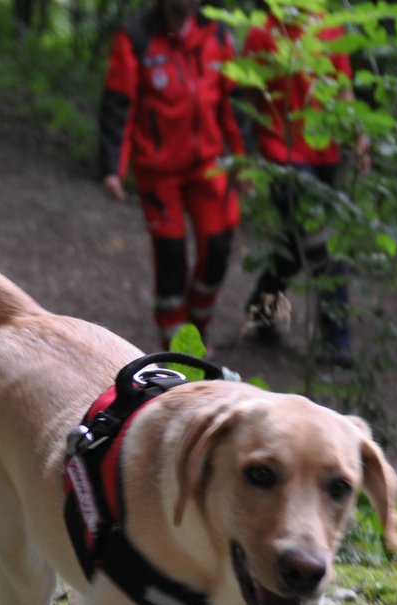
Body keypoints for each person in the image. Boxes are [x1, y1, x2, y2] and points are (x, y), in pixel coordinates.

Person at [99, 0, 247, 348]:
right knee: (171, 259)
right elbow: (119, 103)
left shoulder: (218, 34)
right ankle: (176, 350)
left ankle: (197, 325)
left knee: (219, 247)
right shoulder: (135, 37)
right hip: (158, 171)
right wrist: (112, 170)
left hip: (208, 165)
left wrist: (244, 162)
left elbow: (233, 105)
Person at [240, 5, 369, 367]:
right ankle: (336, 340)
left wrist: (357, 137)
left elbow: (343, 90)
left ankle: (260, 312)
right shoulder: (263, 32)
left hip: (326, 154)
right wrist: (249, 160)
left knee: (293, 249)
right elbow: (249, 100)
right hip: (283, 154)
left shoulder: (329, 28)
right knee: (322, 245)